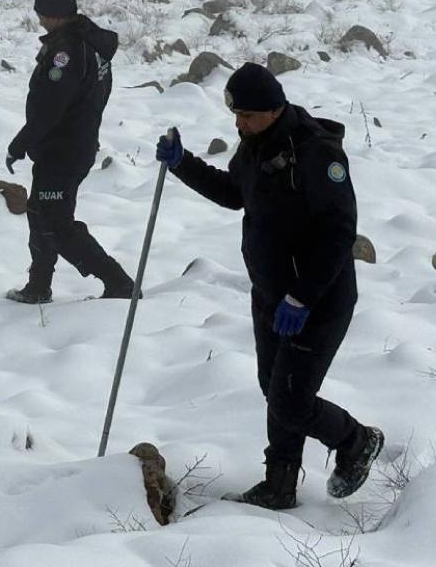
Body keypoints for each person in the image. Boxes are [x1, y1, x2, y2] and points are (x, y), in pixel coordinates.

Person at [155, 62, 383, 509]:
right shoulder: (255, 144)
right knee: (273, 387)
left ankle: (357, 441)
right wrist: (183, 165)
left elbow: (340, 232)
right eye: (235, 116)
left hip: (318, 297)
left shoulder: (317, 153)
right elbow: (234, 193)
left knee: (291, 398)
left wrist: (302, 297)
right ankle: (279, 484)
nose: (239, 125)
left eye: (246, 116)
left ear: (273, 109)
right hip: (272, 293)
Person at [4, 0, 135, 304]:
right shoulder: (90, 42)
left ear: (54, 15)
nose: (39, 22)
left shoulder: (68, 51)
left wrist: (20, 143)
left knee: (57, 225)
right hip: (69, 145)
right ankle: (38, 286)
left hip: (64, 149)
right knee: (39, 212)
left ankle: (119, 282)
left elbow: (51, 106)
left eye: (41, 15)